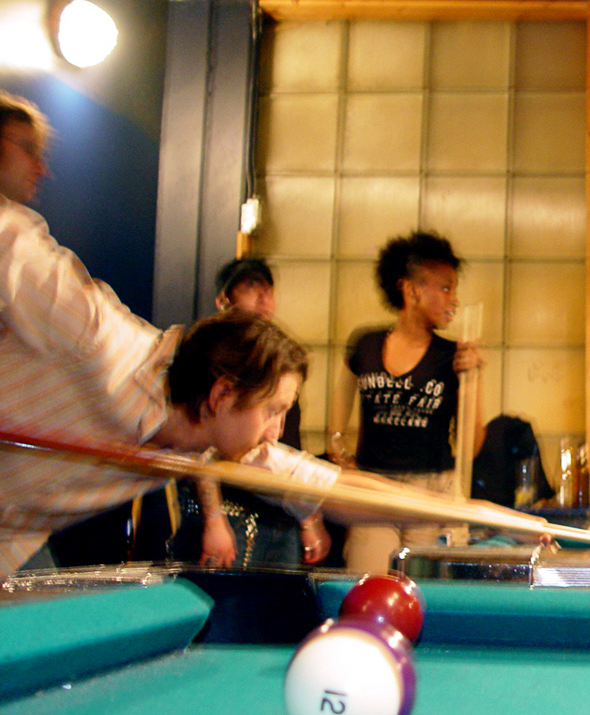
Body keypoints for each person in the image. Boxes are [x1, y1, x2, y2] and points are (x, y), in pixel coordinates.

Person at [0, 91, 503, 578]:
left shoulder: (222, 434)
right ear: (222, 393)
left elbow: (337, 488)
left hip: (11, 538)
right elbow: (11, 238)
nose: (275, 433)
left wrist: (479, 513)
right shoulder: (94, 335)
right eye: (273, 411)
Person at [328, 230, 485, 573]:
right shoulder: (365, 344)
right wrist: (340, 454)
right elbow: (337, 417)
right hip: (374, 488)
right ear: (411, 289)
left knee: (425, 591)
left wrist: (474, 378)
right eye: (446, 288)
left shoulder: (453, 355)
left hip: (432, 490)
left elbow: (472, 445)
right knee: (368, 583)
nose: (455, 300)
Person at [164, 257, 331, 568]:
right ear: (223, 300)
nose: (263, 298)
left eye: (268, 289)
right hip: (232, 511)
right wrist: (215, 520)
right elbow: (200, 451)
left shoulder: (280, 362)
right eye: (251, 288)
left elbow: (286, 448)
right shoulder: (208, 355)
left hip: (280, 512)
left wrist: (308, 517)